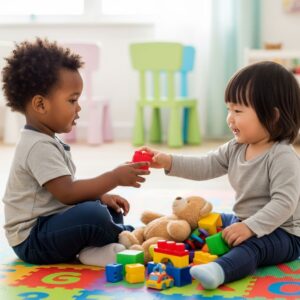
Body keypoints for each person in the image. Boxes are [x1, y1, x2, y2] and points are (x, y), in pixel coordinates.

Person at [141, 61, 300, 289]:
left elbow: (284, 203)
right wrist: (169, 161)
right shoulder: (236, 147)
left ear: (272, 117)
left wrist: (250, 228)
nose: (230, 119)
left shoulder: (282, 157)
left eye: (238, 111)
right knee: (206, 221)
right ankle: (179, 243)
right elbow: (205, 165)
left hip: (283, 234)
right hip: (243, 219)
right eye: (229, 110)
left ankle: (220, 270)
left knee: (252, 247)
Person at [2, 38, 150, 267]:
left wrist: (101, 196)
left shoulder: (46, 140)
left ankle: (94, 251)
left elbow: (61, 192)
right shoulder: (37, 146)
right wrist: (115, 177)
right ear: (41, 105)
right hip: (32, 240)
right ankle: (130, 236)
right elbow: (67, 193)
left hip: (50, 224)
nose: (78, 107)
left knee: (107, 209)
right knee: (94, 216)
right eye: (72, 100)